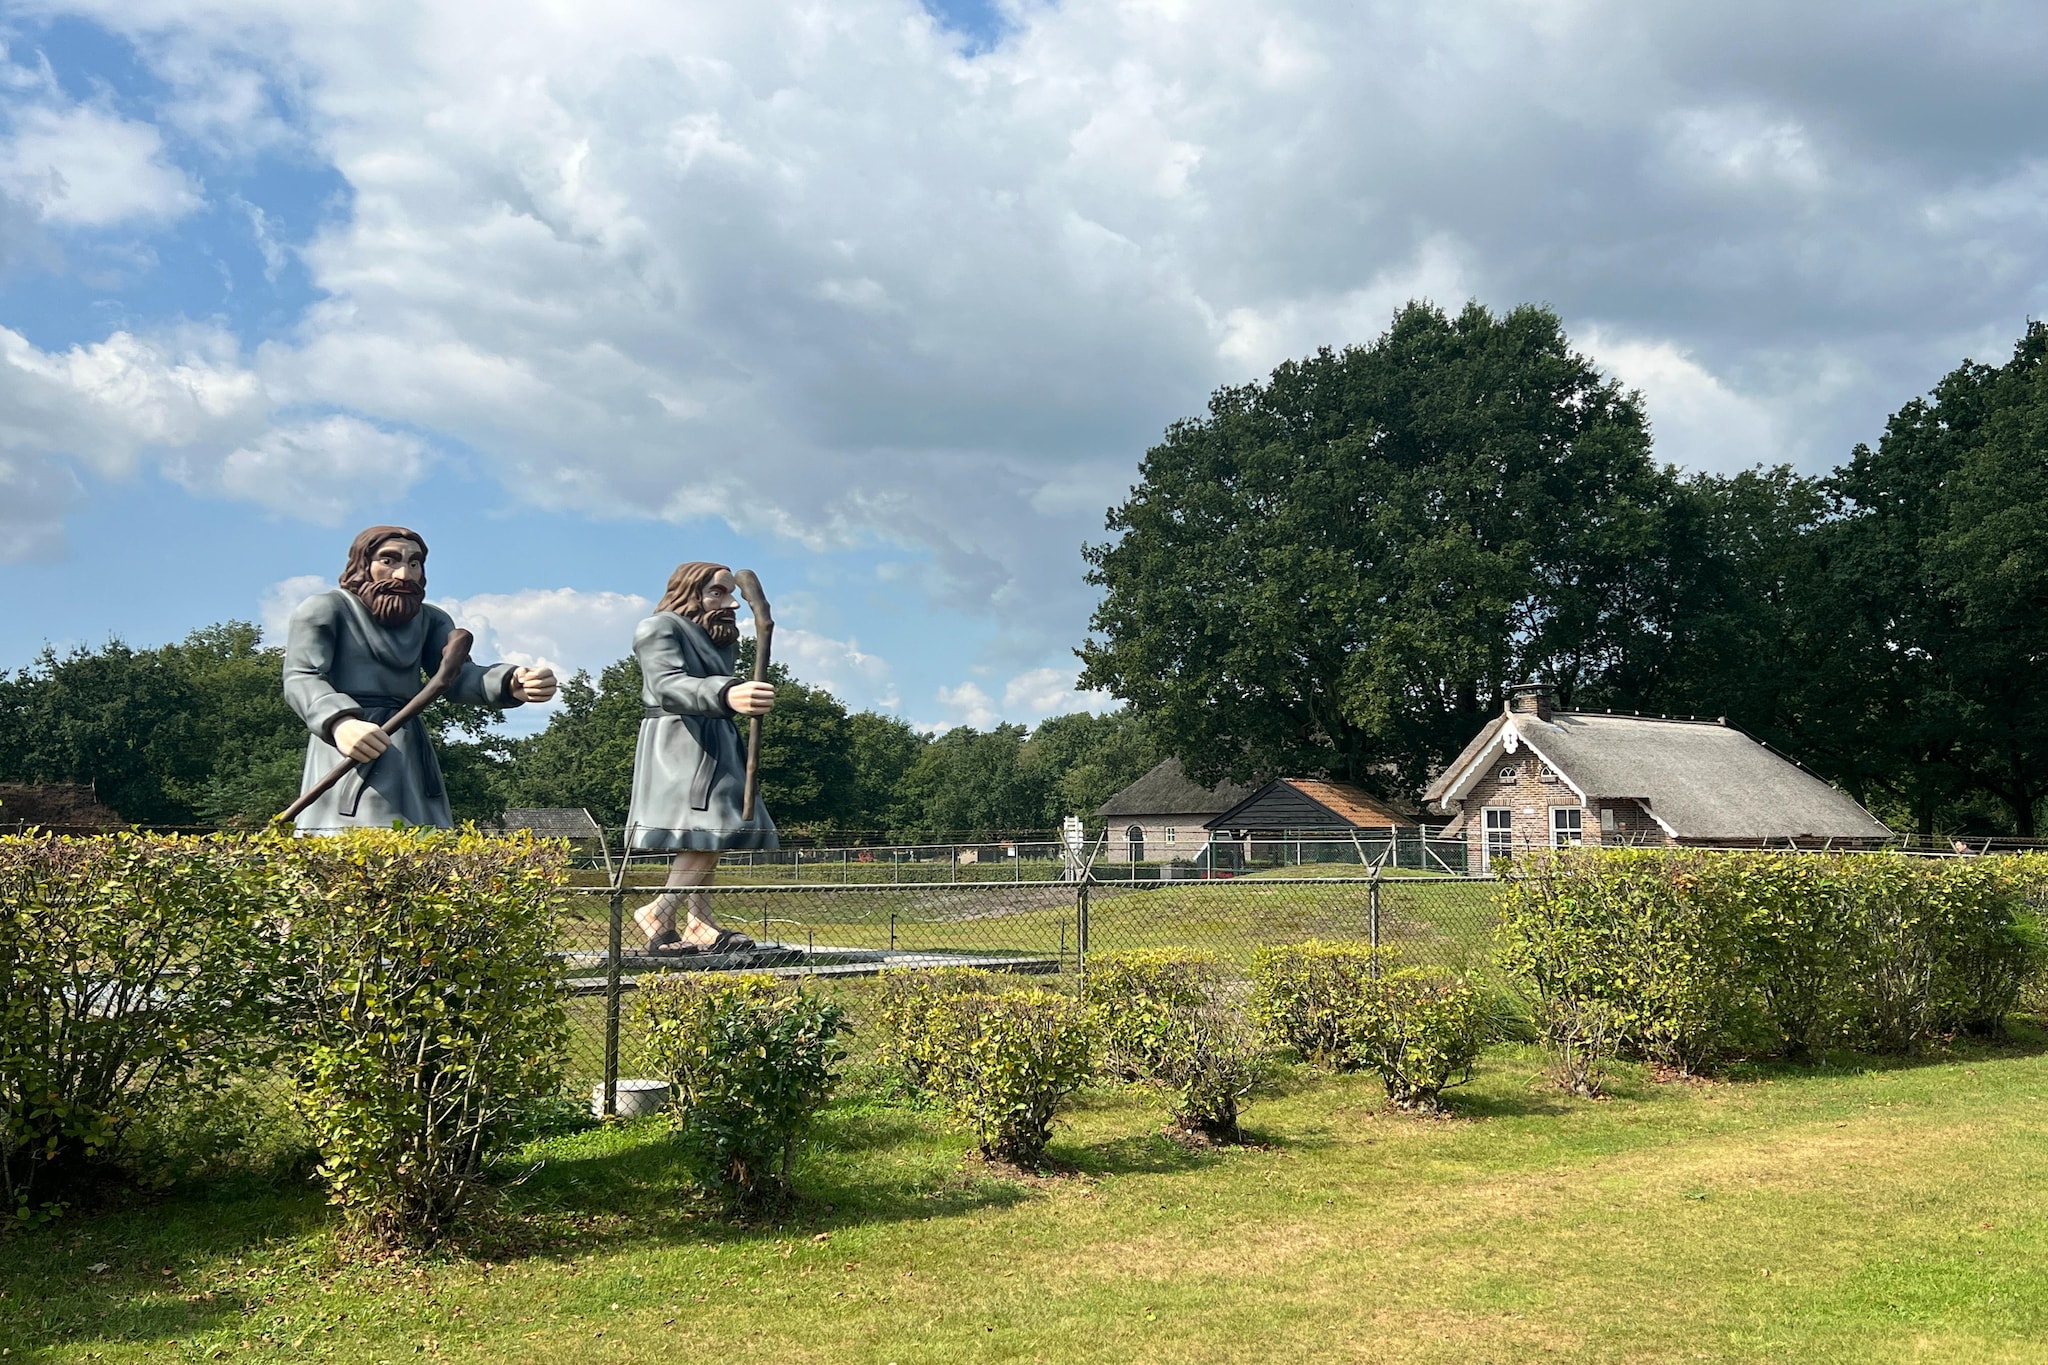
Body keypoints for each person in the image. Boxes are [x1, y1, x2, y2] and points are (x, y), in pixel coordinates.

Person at [282, 525, 557, 831]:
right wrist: (340, 722)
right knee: (350, 835)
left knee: (423, 838)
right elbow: (301, 676)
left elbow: (457, 675)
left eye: (414, 563)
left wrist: (510, 682)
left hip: (408, 745)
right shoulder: (327, 609)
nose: (403, 575)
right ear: (363, 564)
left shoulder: (430, 620)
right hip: (352, 739)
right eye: (389, 561)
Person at [623, 561, 777, 952]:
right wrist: (727, 693)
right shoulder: (658, 628)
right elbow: (666, 684)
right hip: (680, 738)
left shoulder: (720, 637)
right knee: (711, 825)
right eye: (717, 593)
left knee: (711, 833)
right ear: (691, 593)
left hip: (716, 738)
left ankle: (699, 923)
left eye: (730, 594)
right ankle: (660, 910)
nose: (730, 604)